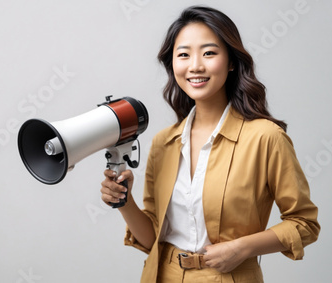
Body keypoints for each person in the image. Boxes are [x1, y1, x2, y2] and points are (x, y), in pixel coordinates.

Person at [100, 5, 320, 283]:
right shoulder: (163, 142)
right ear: (173, 65)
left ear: (230, 61)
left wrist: (242, 248)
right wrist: (124, 201)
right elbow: (152, 238)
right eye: (183, 55)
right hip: (162, 275)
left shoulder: (265, 137)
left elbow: (304, 225)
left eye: (209, 53)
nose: (195, 66)